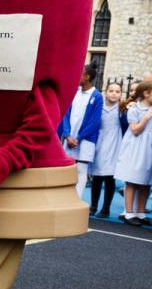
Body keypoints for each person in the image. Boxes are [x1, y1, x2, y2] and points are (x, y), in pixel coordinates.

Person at [59, 64, 104, 199]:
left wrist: (78, 138)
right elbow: (65, 114)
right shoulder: (73, 92)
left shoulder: (97, 96)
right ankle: (64, 197)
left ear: (87, 77)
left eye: (79, 73)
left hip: (85, 140)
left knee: (81, 169)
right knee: (68, 168)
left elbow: (95, 122)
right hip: (70, 138)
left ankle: (76, 199)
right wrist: (67, 135)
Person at [112, 80, 152, 226]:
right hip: (135, 147)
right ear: (147, 93)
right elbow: (135, 130)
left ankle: (140, 213)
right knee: (132, 181)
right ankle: (129, 213)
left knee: (146, 182)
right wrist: (146, 118)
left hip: (148, 149)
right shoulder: (134, 109)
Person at [89, 82, 124, 218]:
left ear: (121, 94)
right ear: (106, 92)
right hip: (100, 143)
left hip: (115, 143)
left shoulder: (122, 109)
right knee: (97, 177)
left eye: (117, 91)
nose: (114, 94)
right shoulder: (100, 107)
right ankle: (93, 206)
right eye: (111, 91)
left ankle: (106, 208)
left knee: (110, 177)